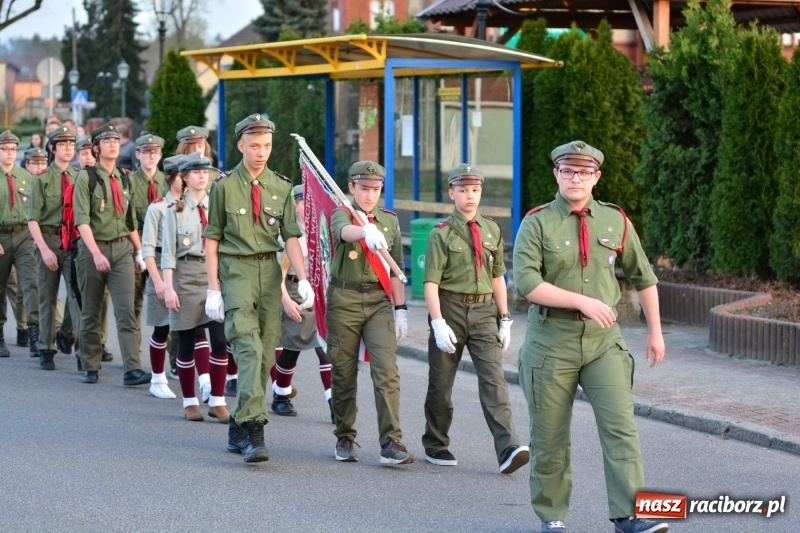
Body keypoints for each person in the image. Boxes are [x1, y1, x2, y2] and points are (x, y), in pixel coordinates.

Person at [513, 141, 667, 533]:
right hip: (551, 341)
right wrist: (582, 301)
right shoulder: (537, 222)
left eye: (584, 172)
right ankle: (552, 517)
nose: (575, 178)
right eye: (568, 171)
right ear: (556, 174)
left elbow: (644, 276)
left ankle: (629, 515)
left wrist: (656, 333)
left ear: (596, 176)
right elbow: (528, 284)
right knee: (550, 437)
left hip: (604, 342)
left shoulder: (615, 221)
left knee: (621, 428)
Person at [204, 114, 313, 463]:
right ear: (240, 146)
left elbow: (291, 237)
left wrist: (304, 277)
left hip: (270, 272)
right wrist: (213, 288)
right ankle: (254, 430)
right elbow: (212, 240)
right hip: (236, 271)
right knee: (249, 349)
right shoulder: (222, 187)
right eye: (254, 145)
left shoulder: (281, 187)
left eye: (266, 145)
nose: (261, 152)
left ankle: (237, 423)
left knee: (266, 353)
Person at [422, 163, 530, 474]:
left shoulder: (492, 229)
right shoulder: (441, 234)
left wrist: (505, 317)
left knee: (494, 380)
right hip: (451, 309)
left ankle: (508, 447)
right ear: (452, 193)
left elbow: (498, 276)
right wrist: (437, 321)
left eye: (476, 190)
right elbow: (431, 282)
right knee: (441, 384)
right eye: (464, 190)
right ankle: (436, 442)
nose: (470, 196)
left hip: (485, 313)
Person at [326, 161, 411, 465]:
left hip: (377, 301)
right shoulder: (342, 213)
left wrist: (400, 309)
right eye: (364, 188)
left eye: (376, 189)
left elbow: (396, 268)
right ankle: (344, 435)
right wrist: (364, 231)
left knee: (386, 371)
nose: (370, 195)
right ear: (352, 187)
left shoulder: (389, 221)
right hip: (344, 297)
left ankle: (391, 441)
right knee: (344, 371)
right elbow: (344, 232)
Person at [72, 122, 150, 386]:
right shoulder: (87, 177)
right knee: (92, 310)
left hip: (122, 250)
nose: (113, 145)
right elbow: (82, 221)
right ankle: (90, 365)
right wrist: (95, 253)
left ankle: (132, 369)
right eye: (107, 141)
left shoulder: (125, 177)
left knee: (126, 311)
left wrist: (140, 252)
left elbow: (130, 222)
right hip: (93, 250)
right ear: (96, 148)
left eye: (116, 140)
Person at [163, 152, 229, 422]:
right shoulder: (175, 210)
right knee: (187, 343)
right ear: (185, 178)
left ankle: (217, 400)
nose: (203, 176)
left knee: (221, 341)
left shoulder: (219, 206)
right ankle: (190, 401)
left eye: (206, 172)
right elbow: (167, 253)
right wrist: (168, 287)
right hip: (186, 276)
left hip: (214, 276)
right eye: (196, 172)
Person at [269, 184, 333, 421]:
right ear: (293, 205)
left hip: (321, 293)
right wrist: (285, 300)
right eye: (302, 202)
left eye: (311, 202)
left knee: (326, 350)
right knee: (291, 350)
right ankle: (281, 394)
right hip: (293, 290)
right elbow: (277, 272)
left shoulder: (324, 230)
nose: (307, 207)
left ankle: (334, 401)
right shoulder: (286, 232)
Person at [27, 126, 82, 370]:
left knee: (77, 297)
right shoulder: (42, 179)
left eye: (71, 144)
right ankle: (46, 348)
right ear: (52, 148)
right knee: (47, 298)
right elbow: (32, 219)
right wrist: (45, 250)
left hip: (72, 240)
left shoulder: (80, 176)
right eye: (63, 144)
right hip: (48, 239)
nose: (68, 148)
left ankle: (82, 349)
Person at [141, 154, 185, 400]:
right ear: (170, 178)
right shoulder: (157, 207)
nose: (186, 179)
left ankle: (203, 379)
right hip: (160, 264)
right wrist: (157, 281)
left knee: (193, 327)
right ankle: (157, 379)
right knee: (162, 326)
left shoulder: (195, 205)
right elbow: (147, 249)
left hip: (186, 267)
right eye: (181, 175)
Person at [0, 131, 41, 359]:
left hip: (24, 235)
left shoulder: (26, 178)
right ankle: (0, 337)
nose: (9, 153)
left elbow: (35, 210)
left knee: (30, 283)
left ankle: (34, 332)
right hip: (1, 235)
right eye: (5, 149)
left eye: (12, 150)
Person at [130, 134, 166, 354]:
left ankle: (173, 361)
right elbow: (128, 219)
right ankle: (133, 355)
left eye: (155, 152)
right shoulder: (129, 182)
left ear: (161, 154)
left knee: (166, 304)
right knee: (133, 305)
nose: (151, 156)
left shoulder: (169, 181)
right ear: (137, 154)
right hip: (136, 248)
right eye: (146, 152)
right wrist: (138, 251)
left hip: (162, 251)